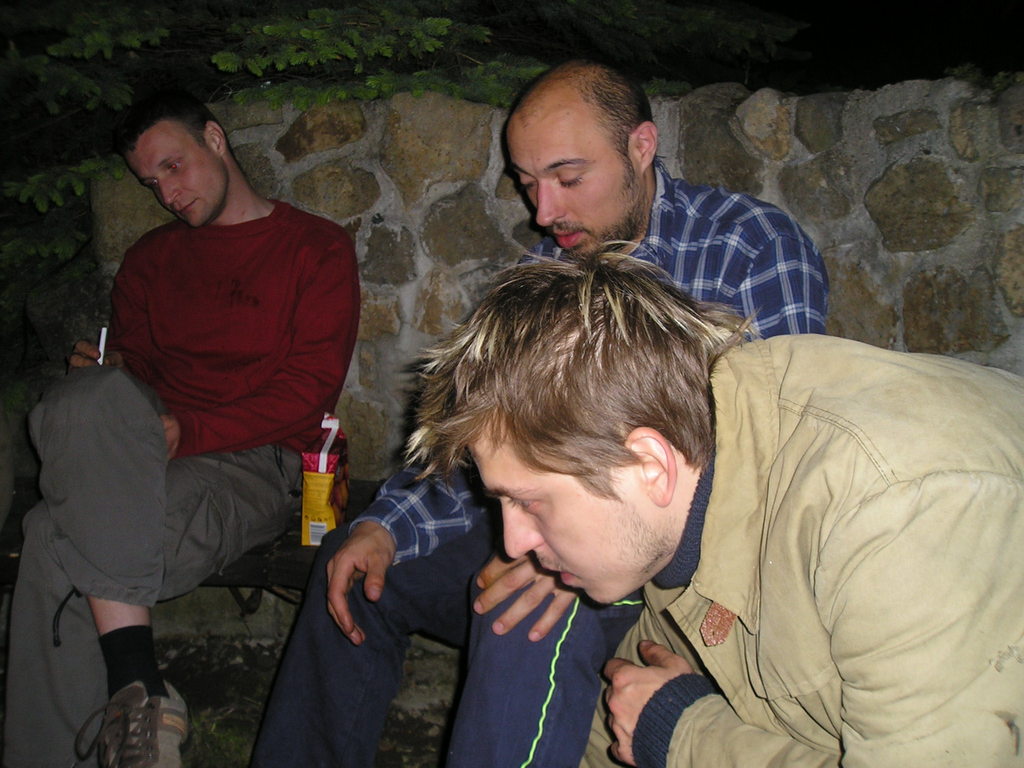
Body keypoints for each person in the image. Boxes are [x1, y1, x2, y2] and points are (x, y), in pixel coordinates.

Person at [252, 60, 827, 768]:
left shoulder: (751, 246)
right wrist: (384, 526)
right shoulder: (539, 274)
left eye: (568, 177)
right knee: (356, 566)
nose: (545, 212)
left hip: (671, 557)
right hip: (545, 518)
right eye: (528, 184)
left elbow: (770, 464)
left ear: (641, 147)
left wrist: (565, 555)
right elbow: (474, 443)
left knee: (524, 621)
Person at [410, 252, 1024, 768]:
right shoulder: (683, 515)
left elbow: (663, 726)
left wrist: (684, 735)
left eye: (528, 502)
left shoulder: (902, 514)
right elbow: (607, 732)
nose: (512, 542)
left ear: (650, 466)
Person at [3, 90, 360, 768]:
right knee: (84, 394)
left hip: (255, 461)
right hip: (148, 452)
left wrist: (182, 432)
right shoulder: (150, 259)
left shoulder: (315, 248)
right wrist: (110, 371)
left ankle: (122, 697)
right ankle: (142, 697)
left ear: (215, 140)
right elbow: (135, 367)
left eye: (173, 167)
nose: (166, 194)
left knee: (52, 535)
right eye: (150, 182)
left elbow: (305, 394)